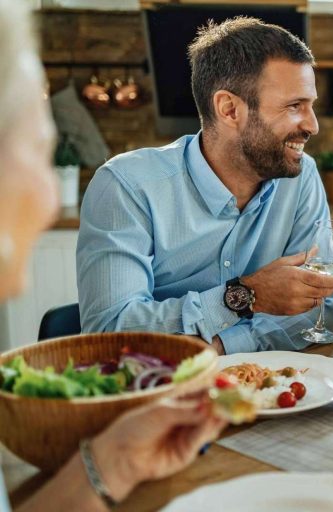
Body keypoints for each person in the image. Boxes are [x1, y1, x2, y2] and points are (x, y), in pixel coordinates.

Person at [0, 2, 225, 511]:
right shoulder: (128, 184)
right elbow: (110, 328)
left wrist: (118, 459)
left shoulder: (299, 184)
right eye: (41, 147)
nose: (49, 186)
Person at [77, 17, 333, 355]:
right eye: (295, 106)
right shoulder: (127, 187)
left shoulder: (301, 176)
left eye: (311, 105)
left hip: (272, 392)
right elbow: (109, 330)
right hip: (158, 393)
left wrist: (221, 345)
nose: (312, 125)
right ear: (229, 109)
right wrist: (245, 297)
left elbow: (323, 303)